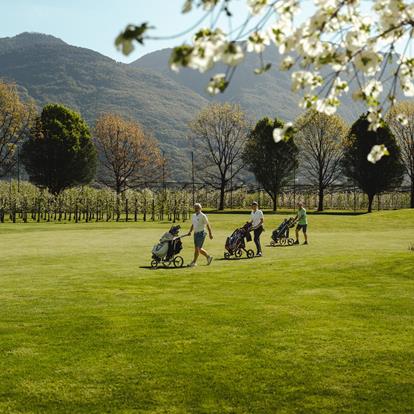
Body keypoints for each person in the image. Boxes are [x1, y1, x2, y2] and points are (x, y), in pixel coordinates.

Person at [186, 203, 213, 267]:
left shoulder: (203, 216)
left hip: (201, 233)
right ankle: (208, 257)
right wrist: (190, 231)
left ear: (200, 208)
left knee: (197, 248)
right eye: (195, 208)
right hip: (195, 233)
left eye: (197, 208)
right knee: (199, 249)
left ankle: (194, 262)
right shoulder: (193, 216)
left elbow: (207, 225)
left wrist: (210, 234)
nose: (196, 209)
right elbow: (193, 224)